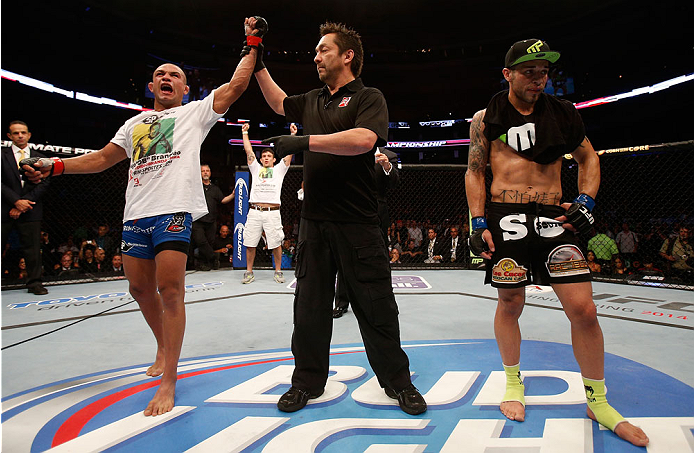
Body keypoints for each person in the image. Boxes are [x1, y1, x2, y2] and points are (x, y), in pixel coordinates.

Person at [20, 16, 266, 417]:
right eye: (160, 74)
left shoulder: (195, 114)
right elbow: (101, 160)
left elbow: (237, 85)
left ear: (185, 88)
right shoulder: (133, 123)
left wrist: (252, 40)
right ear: (152, 87)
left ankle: (170, 377)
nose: (167, 77)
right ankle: (163, 346)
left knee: (170, 291)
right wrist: (57, 165)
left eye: (175, 75)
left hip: (172, 212)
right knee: (138, 289)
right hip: (136, 215)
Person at [464, 39, 648, 446]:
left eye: (543, 70)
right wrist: (478, 223)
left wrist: (585, 202)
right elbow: (475, 171)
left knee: (583, 309)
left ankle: (597, 400)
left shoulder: (563, 114)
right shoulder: (486, 117)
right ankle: (513, 382)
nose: (537, 77)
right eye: (528, 70)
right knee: (510, 302)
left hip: (552, 218)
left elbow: (589, 159)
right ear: (508, 74)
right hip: (504, 217)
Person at [255, 22, 426, 415]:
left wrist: (303, 141)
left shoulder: (368, 97)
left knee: (376, 307)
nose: (316, 57)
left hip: (359, 223)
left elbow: (364, 140)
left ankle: (398, 383)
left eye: (323, 50)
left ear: (347, 56)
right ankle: (306, 383)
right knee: (309, 309)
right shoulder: (314, 98)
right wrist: (258, 60)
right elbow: (279, 102)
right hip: (315, 222)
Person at [334, 147, 400, 317]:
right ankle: (341, 302)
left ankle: (384, 301)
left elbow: (394, 182)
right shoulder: (353, 151)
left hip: (377, 210)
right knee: (346, 253)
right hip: (352, 208)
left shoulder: (390, 156)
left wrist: (386, 167)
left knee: (380, 256)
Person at [240, 121, 294, 284]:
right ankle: (249, 271)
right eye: (263, 156)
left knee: (276, 243)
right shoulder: (255, 169)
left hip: (272, 212)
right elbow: (249, 151)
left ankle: (278, 271)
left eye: (268, 156)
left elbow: (289, 154)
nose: (265, 158)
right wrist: (244, 133)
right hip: (255, 211)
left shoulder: (279, 169)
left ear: (273, 159)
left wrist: (293, 136)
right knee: (250, 243)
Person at [1, 121, 50, 294]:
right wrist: (15, 201)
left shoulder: (41, 158)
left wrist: (24, 203)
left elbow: (44, 183)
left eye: (23, 132)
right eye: (16, 133)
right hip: (5, 207)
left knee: (33, 248)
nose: (20, 135)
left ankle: (35, 283)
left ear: (29, 135)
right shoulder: (2, 155)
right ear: (9, 136)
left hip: (31, 208)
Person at [188, 164, 234, 271]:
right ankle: (214, 257)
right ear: (199, 173)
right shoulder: (195, 188)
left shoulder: (214, 188)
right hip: (197, 219)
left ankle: (205, 264)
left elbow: (222, 200)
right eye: (203, 171)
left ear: (210, 173)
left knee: (209, 243)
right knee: (200, 241)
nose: (205, 172)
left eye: (207, 171)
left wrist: (233, 195)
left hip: (211, 220)